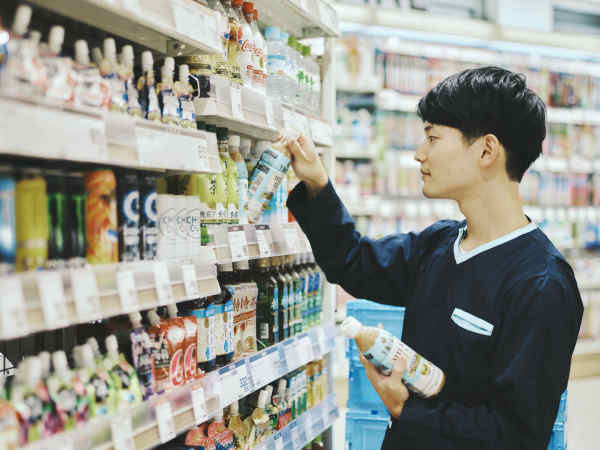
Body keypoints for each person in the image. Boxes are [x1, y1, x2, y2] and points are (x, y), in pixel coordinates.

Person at [285, 67, 583, 449]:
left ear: (487, 150)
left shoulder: (542, 283)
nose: (419, 154)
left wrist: (405, 408)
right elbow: (354, 262)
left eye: (432, 137)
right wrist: (317, 182)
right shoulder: (440, 244)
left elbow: (517, 435)